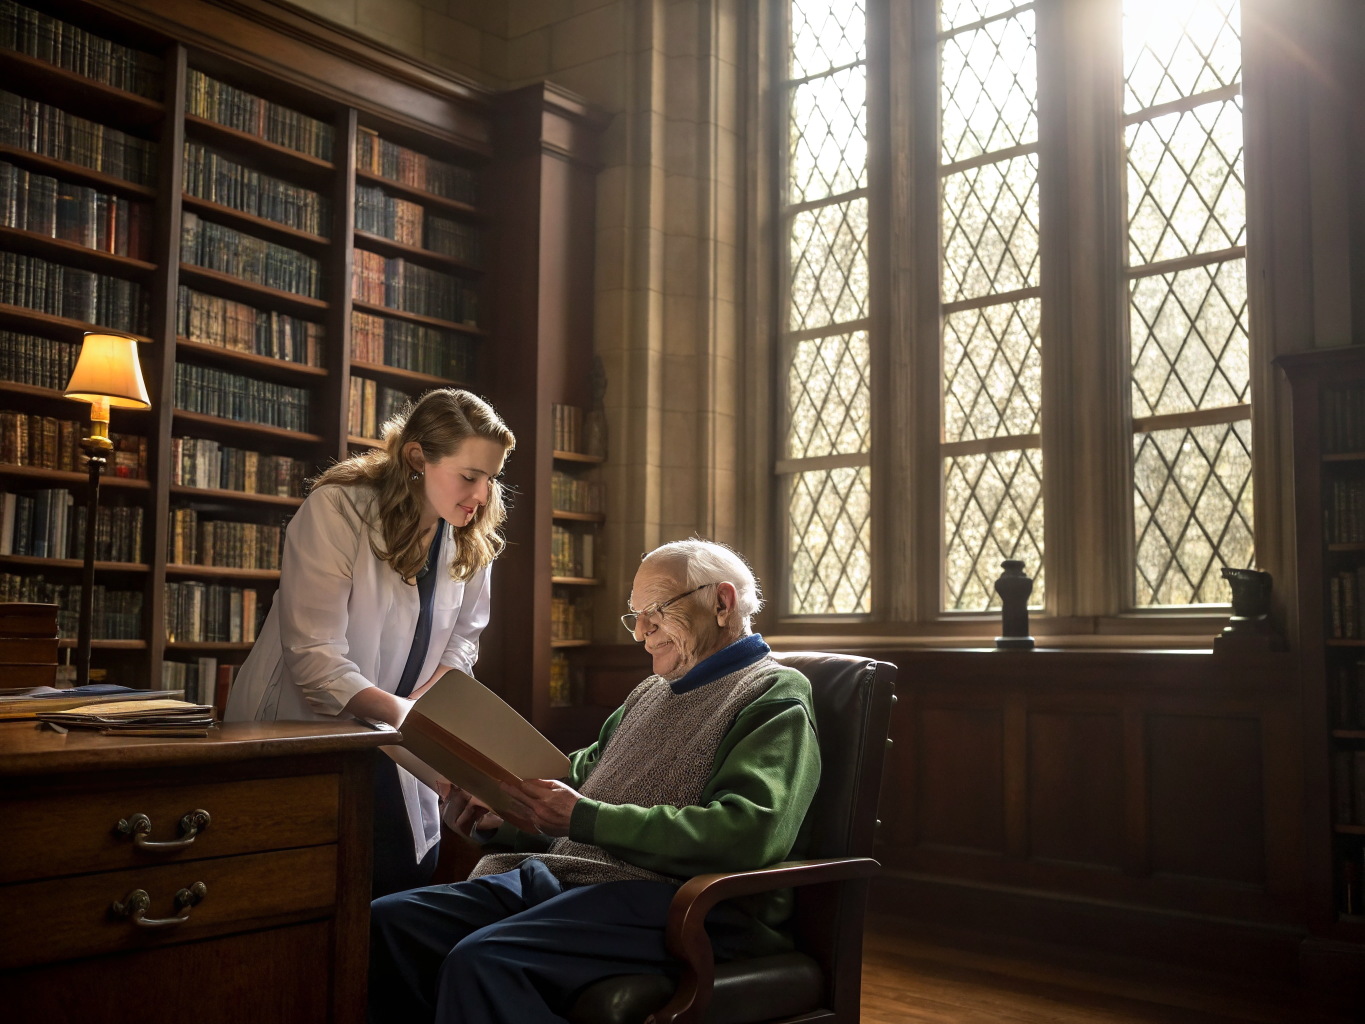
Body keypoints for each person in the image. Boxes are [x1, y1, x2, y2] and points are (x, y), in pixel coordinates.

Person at [368, 540, 822, 1024]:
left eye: (656, 611)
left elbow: (749, 833)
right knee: (388, 923)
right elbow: (579, 788)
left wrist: (583, 818)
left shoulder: (774, 694)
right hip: (573, 881)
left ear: (722, 603)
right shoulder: (648, 694)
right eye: (635, 616)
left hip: (681, 905)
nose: (641, 632)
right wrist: (499, 817)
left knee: (482, 963)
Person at [225, 388, 515, 898]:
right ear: (417, 458)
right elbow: (316, 661)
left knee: (400, 874)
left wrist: (424, 730)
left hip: (401, 733)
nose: (482, 495)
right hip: (311, 728)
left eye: (491, 478)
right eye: (470, 476)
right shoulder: (338, 510)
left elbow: (460, 646)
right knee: (308, 884)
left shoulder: (469, 536)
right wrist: (414, 728)